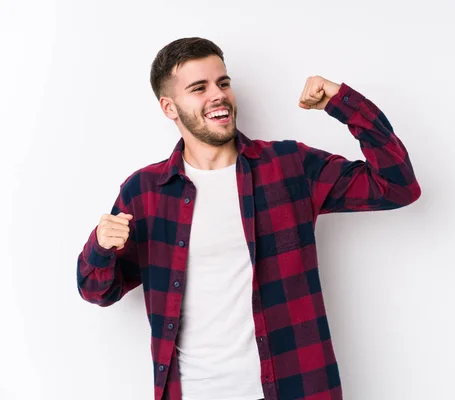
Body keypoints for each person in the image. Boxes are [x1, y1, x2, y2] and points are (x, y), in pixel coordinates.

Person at [76, 37, 421, 400]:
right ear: (169, 107)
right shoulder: (145, 192)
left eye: (223, 83)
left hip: (292, 388)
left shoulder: (288, 167)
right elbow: (98, 290)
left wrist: (344, 103)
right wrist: (100, 248)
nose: (218, 95)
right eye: (199, 88)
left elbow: (397, 186)